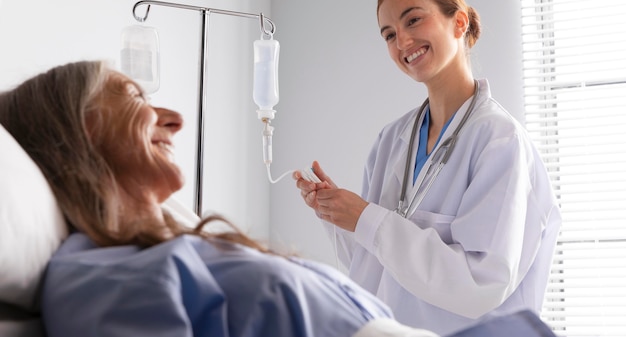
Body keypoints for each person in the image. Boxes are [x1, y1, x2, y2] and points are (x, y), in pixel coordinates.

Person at [0, 60, 437, 337]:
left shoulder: (180, 249)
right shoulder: (98, 278)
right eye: (136, 97)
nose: (175, 120)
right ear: (82, 127)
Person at [293, 0, 562, 336]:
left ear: (459, 23)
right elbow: (373, 265)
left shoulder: (500, 141)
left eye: (413, 20)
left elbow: (481, 284)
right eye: (388, 34)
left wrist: (367, 218)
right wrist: (337, 214)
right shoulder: (391, 141)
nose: (402, 40)